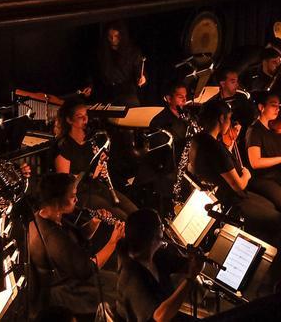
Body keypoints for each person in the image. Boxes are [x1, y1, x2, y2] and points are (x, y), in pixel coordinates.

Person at [187, 101, 281, 252]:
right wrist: (246, 175)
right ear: (221, 119)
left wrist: (229, 145)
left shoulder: (199, 139)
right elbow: (239, 185)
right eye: (229, 118)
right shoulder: (214, 148)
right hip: (231, 201)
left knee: (271, 205)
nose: (230, 122)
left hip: (218, 194)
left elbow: (219, 167)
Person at [27, 173, 125, 319]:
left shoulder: (47, 214)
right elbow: (87, 269)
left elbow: (76, 238)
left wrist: (94, 221)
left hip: (71, 275)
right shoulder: (51, 236)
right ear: (57, 200)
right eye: (72, 196)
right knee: (123, 293)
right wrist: (113, 241)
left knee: (120, 281)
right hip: (64, 290)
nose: (76, 199)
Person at [53, 101, 138, 221]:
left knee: (135, 212)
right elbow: (66, 184)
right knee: (122, 218)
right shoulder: (64, 147)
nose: (85, 119)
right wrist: (92, 172)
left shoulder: (90, 141)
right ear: (69, 120)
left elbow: (95, 172)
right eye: (80, 117)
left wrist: (100, 167)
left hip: (97, 187)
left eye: (86, 115)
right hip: (80, 194)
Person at [117, 209, 203, 322]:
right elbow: (160, 316)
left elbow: (187, 265)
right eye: (160, 226)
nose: (163, 229)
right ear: (152, 237)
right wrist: (190, 279)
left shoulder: (156, 256)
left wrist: (195, 258)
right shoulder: (131, 275)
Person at [95, 23, 146, 106]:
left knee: (132, 113)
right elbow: (95, 72)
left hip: (126, 91)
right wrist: (90, 85)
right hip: (106, 91)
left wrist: (142, 78)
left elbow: (139, 70)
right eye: (110, 36)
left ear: (122, 36)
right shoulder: (101, 52)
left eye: (116, 36)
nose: (113, 39)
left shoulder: (132, 51)